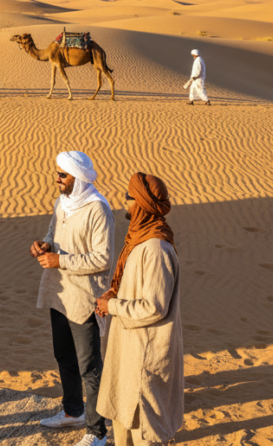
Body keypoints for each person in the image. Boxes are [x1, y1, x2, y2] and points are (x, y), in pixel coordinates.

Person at [31, 151, 113, 446]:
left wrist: (60, 261)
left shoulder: (98, 209)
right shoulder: (61, 203)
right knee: (63, 356)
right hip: (59, 294)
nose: (57, 179)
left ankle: (97, 432)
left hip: (85, 299)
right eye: (57, 173)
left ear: (78, 179)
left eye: (62, 175)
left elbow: (103, 258)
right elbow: (54, 234)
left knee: (90, 367)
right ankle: (72, 412)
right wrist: (44, 245)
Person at [96, 173, 183, 446]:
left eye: (129, 197)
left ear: (141, 204)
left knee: (144, 430)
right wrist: (115, 292)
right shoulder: (138, 241)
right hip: (129, 353)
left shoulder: (156, 249)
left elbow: (154, 307)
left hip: (145, 357)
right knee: (123, 423)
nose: (125, 201)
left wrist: (112, 306)